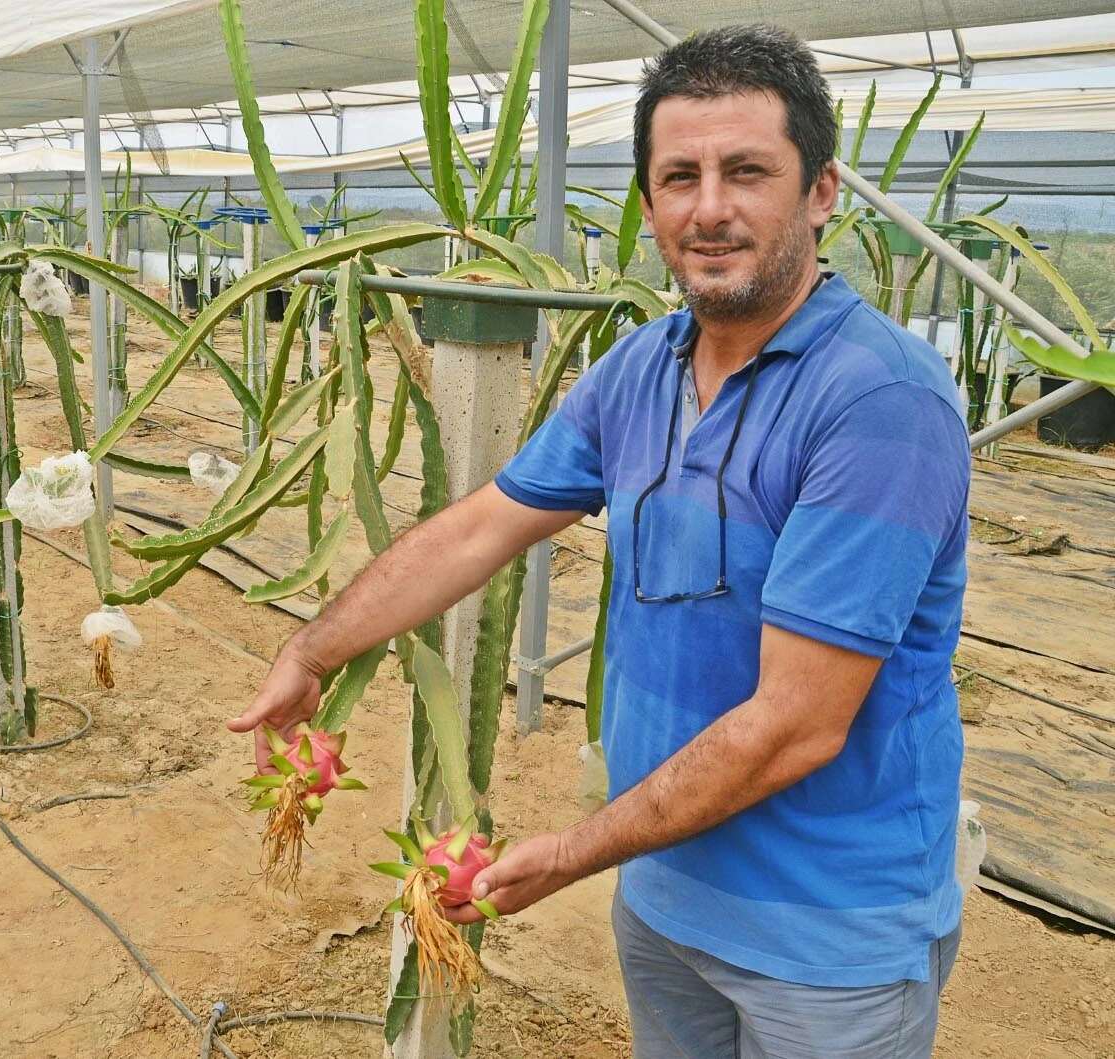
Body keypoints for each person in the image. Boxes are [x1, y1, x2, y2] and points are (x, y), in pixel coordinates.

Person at [229, 23, 971, 1059]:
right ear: (649, 206)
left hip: (825, 941)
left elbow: (797, 727)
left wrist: (572, 853)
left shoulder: (878, 402)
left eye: (746, 171)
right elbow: (483, 526)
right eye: (679, 177)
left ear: (820, 193)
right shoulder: (641, 369)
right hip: (667, 896)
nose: (709, 207)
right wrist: (313, 652)